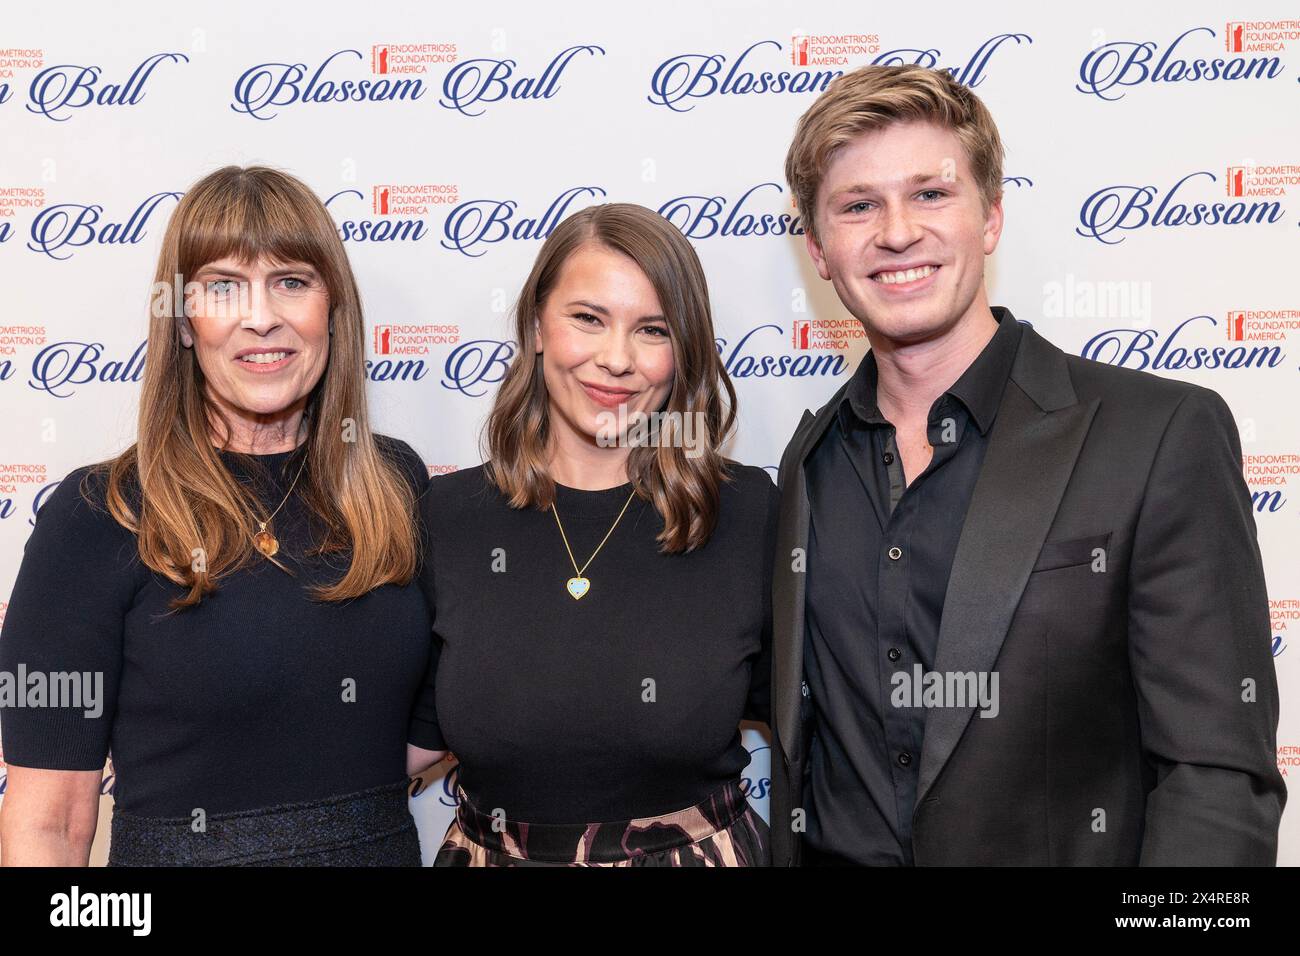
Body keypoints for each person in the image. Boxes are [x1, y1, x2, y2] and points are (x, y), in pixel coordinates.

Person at [769, 65, 1285, 866]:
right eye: (858, 205)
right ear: (821, 250)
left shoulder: (1157, 434)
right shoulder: (810, 462)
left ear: (992, 218)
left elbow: (1215, 778)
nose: (897, 231)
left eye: (932, 194)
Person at [0, 165, 433, 866]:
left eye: (292, 280)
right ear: (181, 319)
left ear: (333, 310)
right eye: (223, 286)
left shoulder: (393, 484)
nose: (261, 316)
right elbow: (47, 826)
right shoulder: (93, 517)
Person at [405, 202, 777, 867]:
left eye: (652, 330)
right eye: (588, 319)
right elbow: (403, 736)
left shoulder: (746, 513)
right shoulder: (447, 514)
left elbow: (835, 728)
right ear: (538, 326)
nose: (616, 360)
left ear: (683, 350)